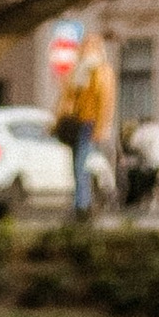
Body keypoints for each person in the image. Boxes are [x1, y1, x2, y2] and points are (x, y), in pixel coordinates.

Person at [55, 39, 116, 216]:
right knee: (77, 166)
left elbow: (104, 100)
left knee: (82, 165)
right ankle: (80, 204)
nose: (84, 50)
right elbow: (69, 97)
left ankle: (82, 206)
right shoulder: (80, 70)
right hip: (77, 123)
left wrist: (100, 127)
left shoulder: (101, 70)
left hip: (89, 124)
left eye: (88, 46)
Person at [123, 108, 159, 216]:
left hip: (152, 162)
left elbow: (133, 144)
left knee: (147, 181)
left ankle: (147, 202)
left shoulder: (143, 130)